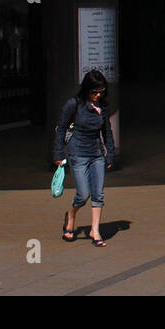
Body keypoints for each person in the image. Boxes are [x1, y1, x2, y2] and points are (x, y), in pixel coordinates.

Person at [54, 69, 116, 247]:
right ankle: (71, 215)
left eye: (101, 92)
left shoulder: (103, 107)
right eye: (94, 92)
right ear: (86, 90)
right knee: (83, 194)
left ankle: (95, 231)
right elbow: (62, 128)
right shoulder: (74, 105)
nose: (97, 95)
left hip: (97, 154)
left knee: (98, 194)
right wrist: (58, 154)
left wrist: (109, 154)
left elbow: (107, 132)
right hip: (78, 153)